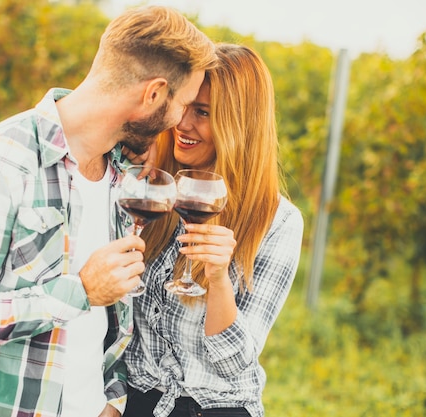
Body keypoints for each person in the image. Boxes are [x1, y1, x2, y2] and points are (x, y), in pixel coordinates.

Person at [0, 6, 216, 417]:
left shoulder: (124, 178)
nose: (181, 120)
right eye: (182, 103)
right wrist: (81, 291)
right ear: (153, 94)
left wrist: (112, 399)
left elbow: (109, 322)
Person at [121, 44, 304, 417]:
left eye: (203, 113)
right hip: (136, 403)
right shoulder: (152, 188)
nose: (183, 124)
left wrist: (218, 279)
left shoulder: (277, 221)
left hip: (214, 409)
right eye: (184, 105)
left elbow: (233, 362)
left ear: (239, 123)